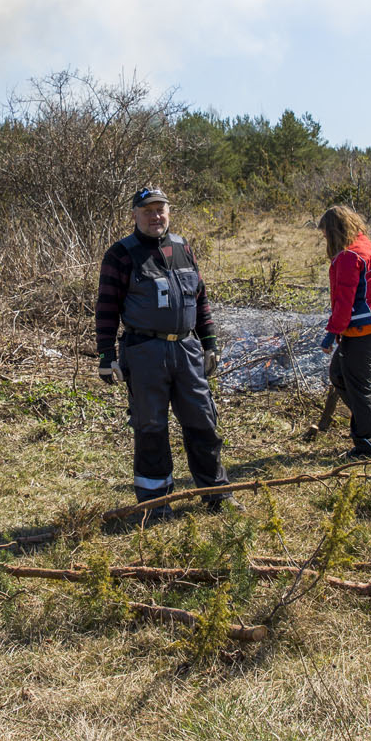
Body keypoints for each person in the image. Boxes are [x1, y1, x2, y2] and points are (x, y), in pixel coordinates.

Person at [95, 186, 230, 505]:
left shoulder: (183, 247)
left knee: (203, 422)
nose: (156, 216)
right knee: (151, 428)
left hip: (187, 351)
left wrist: (209, 343)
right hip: (144, 352)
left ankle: (216, 493)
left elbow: (200, 299)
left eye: (161, 210)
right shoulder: (121, 254)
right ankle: (155, 503)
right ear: (134, 215)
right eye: (148, 211)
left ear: (168, 212)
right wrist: (105, 354)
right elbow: (107, 308)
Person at [317, 205, 371, 459]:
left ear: (335, 230)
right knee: (338, 374)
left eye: (326, 233)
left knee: (358, 386)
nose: (325, 239)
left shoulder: (350, 255)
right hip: (370, 327)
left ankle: (365, 443)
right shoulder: (365, 246)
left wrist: (331, 333)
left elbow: (344, 301)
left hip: (363, 330)